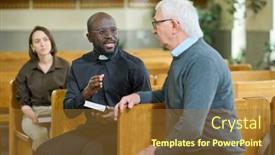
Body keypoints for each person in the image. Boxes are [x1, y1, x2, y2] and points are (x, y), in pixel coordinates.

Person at [114, 0, 245, 155]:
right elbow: (167, 94)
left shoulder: (202, 61)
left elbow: (191, 127)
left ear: (174, 26)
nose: (153, 30)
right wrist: (137, 97)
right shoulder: (184, 55)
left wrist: (157, 152)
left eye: (156, 23)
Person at [36, 12, 151, 155]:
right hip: (90, 130)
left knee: (93, 151)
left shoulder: (134, 65)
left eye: (113, 30)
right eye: (102, 32)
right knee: (44, 151)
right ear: (89, 37)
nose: (110, 35)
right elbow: (69, 111)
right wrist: (86, 93)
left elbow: (147, 110)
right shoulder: (78, 66)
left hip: (123, 130)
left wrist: (118, 115)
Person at [15, 26, 70, 151]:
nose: (42, 44)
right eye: (37, 41)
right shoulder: (25, 71)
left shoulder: (66, 66)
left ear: (51, 42)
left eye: (45, 39)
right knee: (41, 135)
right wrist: (33, 116)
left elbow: (71, 94)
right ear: (32, 47)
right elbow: (23, 102)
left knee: (58, 134)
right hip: (33, 114)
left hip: (59, 113)